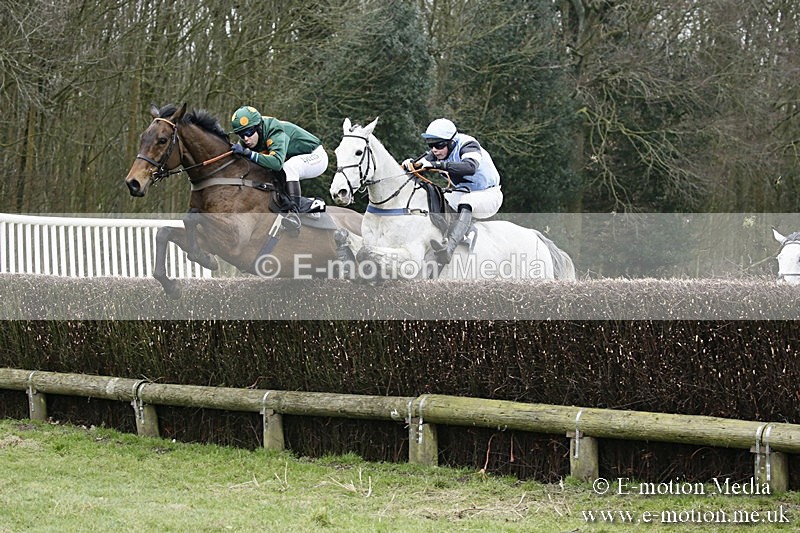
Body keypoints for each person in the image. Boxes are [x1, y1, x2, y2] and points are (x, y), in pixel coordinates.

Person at [402, 118, 503, 264]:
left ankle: (449, 248)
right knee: (438, 198)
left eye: (438, 145)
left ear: (451, 142)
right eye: (431, 145)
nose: (434, 149)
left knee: (467, 201)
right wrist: (409, 165)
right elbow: (419, 165)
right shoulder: (439, 152)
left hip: (489, 194)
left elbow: (470, 167)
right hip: (463, 192)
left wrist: (436, 164)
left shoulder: (469, 145)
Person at [230, 106, 327, 213]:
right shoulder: (246, 139)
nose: (246, 139)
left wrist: (248, 153)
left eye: (248, 133)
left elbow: (276, 163)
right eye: (241, 135)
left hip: (316, 156)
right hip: (292, 158)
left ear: (259, 127)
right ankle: (307, 203)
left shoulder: (275, 130)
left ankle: (294, 211)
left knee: (289, 166)